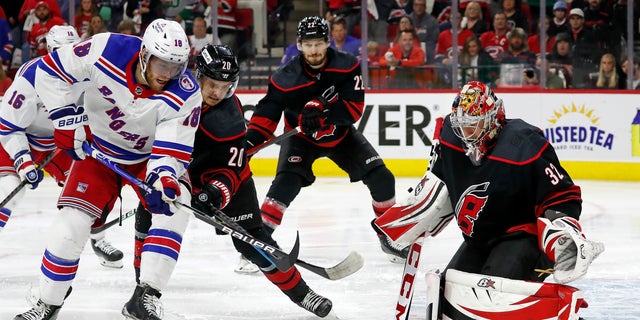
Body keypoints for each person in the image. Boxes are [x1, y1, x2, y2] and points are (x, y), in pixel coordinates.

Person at [14, 18, 202, 320]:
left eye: (175, 66)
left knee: (177, 207)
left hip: (147, 158)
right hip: (97, 150)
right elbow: (49, 71)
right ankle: (48, 302)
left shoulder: (186, 92)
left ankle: (146, 296)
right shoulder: (105, 48)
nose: (168, 74)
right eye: (162, 64)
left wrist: (163, 179)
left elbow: (170, 149)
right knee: (70, 226)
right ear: (144, 54)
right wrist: (64, 119)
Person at [133, 44, 334, 318]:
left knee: (252, 240)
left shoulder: (228, 115)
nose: (218, 92)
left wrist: (215, 193)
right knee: (149, 211)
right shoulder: (170, 94)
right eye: (212, 84)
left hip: (219, 175)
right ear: (197, 75)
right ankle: (141, 290)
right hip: (175, 172)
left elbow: (234, 168)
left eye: (225, 86)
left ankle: (304, 295)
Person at [375, 80, 604, 318]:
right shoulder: (451, 139)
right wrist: (408, 219)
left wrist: (560, 233)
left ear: (494, 119)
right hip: (480, 239)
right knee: (451, 294)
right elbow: (438, 184)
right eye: (462, 126)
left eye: (473, 125)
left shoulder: (524, 145)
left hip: (523, 238)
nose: (466, 134)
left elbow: (561, 194)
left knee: (489, 298)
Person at [244, 16, 402, 261]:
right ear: (299, 45)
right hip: (301, 140)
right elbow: (266, 116)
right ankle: (258, 244)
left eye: (318, 43)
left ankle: (390, 235)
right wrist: (248, 145)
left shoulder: (347, 65)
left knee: (383, 178)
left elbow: (355, 108)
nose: (314, 50)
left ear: (328, 42)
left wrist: (325, 113)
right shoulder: (285, 79)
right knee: (284, 187)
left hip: (340, 136)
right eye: (308, 45)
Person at [0, 25, 124, 269]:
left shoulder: (87, 71)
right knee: (10, 190)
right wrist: (24, 162)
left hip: (61, 143)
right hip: (20, 139)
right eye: (59, 52)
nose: (65, 59)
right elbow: (10, 127)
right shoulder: (31, 76)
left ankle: (98, 238)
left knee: (93, 186)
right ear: (48, 50)